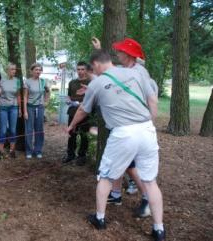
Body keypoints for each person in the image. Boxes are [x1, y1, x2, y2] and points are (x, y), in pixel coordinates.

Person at [67, 50, 165, 241]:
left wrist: (71, 126)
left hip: (123, 134)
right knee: (150, 181)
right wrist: (150, 122)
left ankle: (100, 218)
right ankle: (159, 229)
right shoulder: (135, 73)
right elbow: (152, 98)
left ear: (95, 64)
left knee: (105, 177)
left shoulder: (96, 83)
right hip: (146, 130)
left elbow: (83, 110)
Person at [92, 37, 158, 217]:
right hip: (123, 127)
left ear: (128, 55)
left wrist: (148, 124)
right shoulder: (123, 69)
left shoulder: (139, 72)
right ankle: (115, 194)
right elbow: (108, 69)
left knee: (131, 166)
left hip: (135, 128)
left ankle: (146, 198)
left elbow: (151, 98)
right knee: (121, 164)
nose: (117, 54)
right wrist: (99, 49)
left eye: (120, 51)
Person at [63, 61, 91, 165]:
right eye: (78, 69)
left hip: (85, 113)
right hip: (72, 112)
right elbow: (69, 96)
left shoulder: (90, 82)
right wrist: (69, 100)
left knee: (84, 135)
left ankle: (82, 157)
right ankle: (70, 155)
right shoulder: (72, 83)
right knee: (71, 134)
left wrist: (82, 103)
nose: (80, 71)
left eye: (83, 69)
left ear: (86, 70)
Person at [23, 63, 50, 159]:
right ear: (31, 71)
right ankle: (29, 150)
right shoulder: (27, 82)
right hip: (30, 107)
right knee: (29, 130)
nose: (38, 71)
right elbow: (25, 97)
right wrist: (25, 111)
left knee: (39, 129)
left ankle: (38, 150)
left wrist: (46, 101)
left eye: (39, 70)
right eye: (36, 70)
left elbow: (47, 91)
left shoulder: (43, 81)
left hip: (40, 107)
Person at [0, 63, 22, 159]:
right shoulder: (1, 80)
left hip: (14, 107)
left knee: (13, 129)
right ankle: (1, 151)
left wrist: (19, 108)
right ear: (7, 70)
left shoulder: (17, 81)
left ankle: (12, 151)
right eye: (12, 69)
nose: (14, 71)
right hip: (3, 107)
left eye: (14, 69)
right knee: (3, 130)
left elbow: (18, 95)